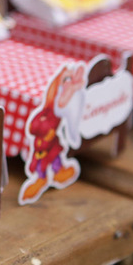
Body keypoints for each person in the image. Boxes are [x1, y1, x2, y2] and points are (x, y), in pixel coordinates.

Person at [21, 62, 86, 204]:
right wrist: (46, 130)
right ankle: (41, 178)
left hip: (53, 144)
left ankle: (58, 172)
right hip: (42, 147)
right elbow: (33, 127)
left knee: (56, 156)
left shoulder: (59, 110)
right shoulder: (46, 111)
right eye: (65, 82)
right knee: (42, 162)